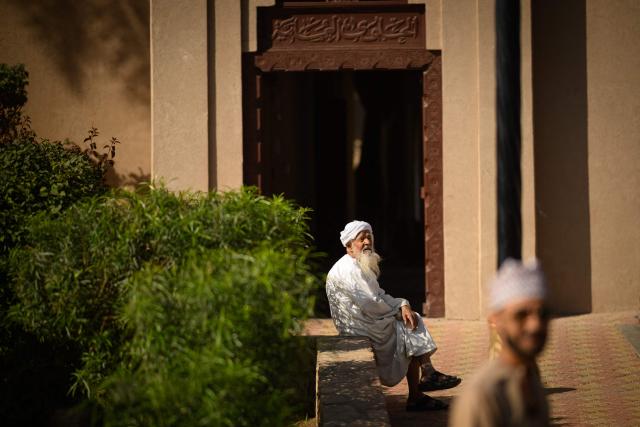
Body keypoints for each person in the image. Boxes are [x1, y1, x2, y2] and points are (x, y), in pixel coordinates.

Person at [326, 220, 461, 411]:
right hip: (359, 326)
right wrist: (399, 309)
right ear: (349, 246)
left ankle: (423, 383)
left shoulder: (357, 264)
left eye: (369, 237)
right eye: (361, 239)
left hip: (366, 320)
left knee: (409, 318)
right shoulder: (349, 269)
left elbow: (378, 295)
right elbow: (371, 303)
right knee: (409, 323)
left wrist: (402, 304)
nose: (366, 242)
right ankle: (422, 383)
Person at [449, 258, 551, 426]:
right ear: (495, 321)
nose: (535, 326)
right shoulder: (483, 396)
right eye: (520, 315)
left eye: (543, 314)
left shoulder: (531, 380)